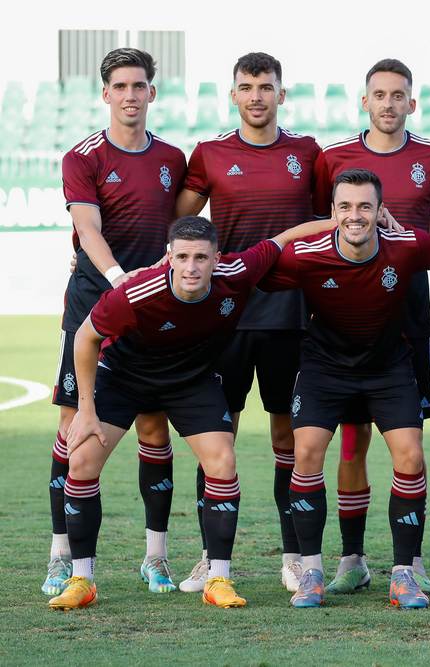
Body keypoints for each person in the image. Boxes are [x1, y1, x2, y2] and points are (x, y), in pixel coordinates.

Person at [48, 214, 336, 610]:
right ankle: (82, 579)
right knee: (81, 460)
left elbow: (283, 239)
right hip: (126, 376)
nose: (191, 266)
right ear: (169, 257)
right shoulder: (136, 292)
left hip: (191, 380)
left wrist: (341, 220)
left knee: (223, 459)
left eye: (201, 257)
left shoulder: (236, 274)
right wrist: (85, 408)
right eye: (182, 256)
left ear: (217, 258)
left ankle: (218, 577)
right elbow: (86, 335)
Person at [256, 168, 430, 609]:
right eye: (346, 207)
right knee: (308, 452)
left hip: (388, 368)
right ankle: (312, 572)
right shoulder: (308, 254)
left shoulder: (406, 244)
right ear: (333, 212)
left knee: (411, 455)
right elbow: (256, 262)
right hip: (324, 368)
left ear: (379, 210)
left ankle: (403, 574)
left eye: (365, 207)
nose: (356, 216)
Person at [311, 58, 430, 596]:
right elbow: (328, 224)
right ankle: (353, 558)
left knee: (408, 440)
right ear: (365, 101)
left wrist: (408, 238)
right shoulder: (334, 157)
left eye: (398, 95)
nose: (388, 103)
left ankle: (410, 559)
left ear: (412, 102)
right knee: (352, 442)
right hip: (340, 314)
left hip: (404, 313)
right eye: (379, 95)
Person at [175, 52, 322, 593]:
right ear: (233, 95)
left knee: (288, 435)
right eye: (246, 86)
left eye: (266, 86)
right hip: (224, 317)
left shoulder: (307, 153)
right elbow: (180, 225)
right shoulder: (210, 154)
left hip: (291, 316)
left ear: (282, 94)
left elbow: (339, 217)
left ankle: (292, 557)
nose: (256, 95)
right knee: (218, 436)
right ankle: (212, 559)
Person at [45, 47, 186, 596]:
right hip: (93, 306)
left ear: (153, 92)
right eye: (120, 86)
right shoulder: (82, 157)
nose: (130, 95)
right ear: (106, 94)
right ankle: (62, 556)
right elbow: (89, 229)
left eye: (139, 85)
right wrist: (120, 277)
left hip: (151, 312)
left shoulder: (174, 158)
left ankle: (156, 558)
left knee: (154, 429)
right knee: (72, 430)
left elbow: (184, 228)